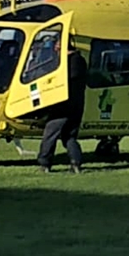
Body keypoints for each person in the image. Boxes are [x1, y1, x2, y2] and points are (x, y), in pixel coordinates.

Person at [37, 37, 87, 173]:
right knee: (69, 136)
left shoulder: (69, 63)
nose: (55, 49)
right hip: (77, 105)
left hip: (63, 105)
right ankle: (75, 163)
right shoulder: (80, 61)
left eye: (57, 46)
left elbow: (65, 81)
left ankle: (45, 163)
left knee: (50, 134)